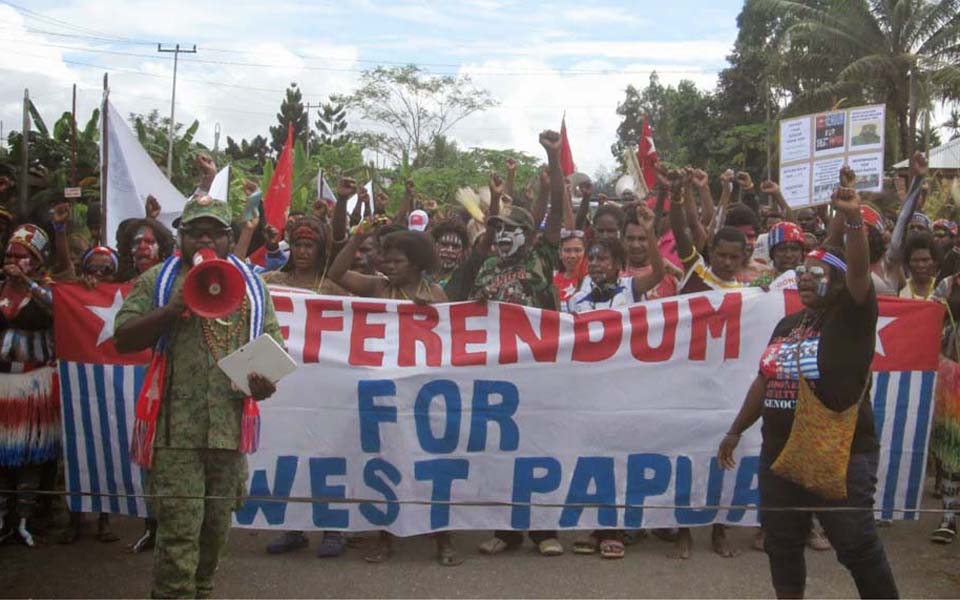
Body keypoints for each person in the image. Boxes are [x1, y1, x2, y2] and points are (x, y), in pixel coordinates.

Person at [717, 181, 899, 599]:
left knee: (855, 546)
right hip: (779, 453)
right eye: (802, 272)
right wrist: (735, 429)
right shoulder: (787, 327)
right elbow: (765, 380)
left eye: (816, 275)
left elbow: (854, 271)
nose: (804, 277)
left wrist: (851, 219)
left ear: (837, 285)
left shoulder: (851, 318)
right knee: (781, 543)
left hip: (840, 454)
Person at [114, 194, 283, 599]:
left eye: (214, 232)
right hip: (176, 439)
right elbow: (122, 338)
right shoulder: (157, 281)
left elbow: (273, 346)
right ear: (180, 236)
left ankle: (203, 591)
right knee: (178, 539)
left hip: (227, 435)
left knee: (214, 533)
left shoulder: (252, 287)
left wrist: (265, 382)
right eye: (194, 232)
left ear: (229, 238)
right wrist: (169, 311)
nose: (204, 239)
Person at [328, 222, 458, 566]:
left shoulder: (437, 295)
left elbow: (451, 340)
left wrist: (426, 312)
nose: (388, 266)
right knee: (387, 465)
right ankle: (386, 539)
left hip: (424, 393)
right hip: (385, 393)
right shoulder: (377, 287)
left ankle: (442, 540)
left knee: (431, 468)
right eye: (387, 259)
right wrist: (355, 236)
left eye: (397, 261)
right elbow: (337, 272)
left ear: (417, 264)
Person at [474, 131, 565, 557]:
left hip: (540, 372)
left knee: (539, 448)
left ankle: (545, 531)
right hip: (497, 375)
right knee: (502, 452)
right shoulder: (487, 267)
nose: (502, 236)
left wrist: (553, 156)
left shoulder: (539, 257)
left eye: (510, 230)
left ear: (528, 236)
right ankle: (506, 529)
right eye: (498, 230)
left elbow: (560, 208)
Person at [261, 215, 346, 558]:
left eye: (309, 245)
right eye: (297, 244)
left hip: (325, 389)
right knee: (288, 452)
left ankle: (333, 527)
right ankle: (293, 527)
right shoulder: (271, 281)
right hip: (286, 387)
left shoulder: (332, 287)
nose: (302, 251)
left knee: (327, 455)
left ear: (320, 249)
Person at [0, 224, 57, 547]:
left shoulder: (45, 291)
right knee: (3, 456)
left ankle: (23, 519)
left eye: (21, 256)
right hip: (2, 383)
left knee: (30, 456)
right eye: (9, 254)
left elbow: (59, 309)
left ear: (35, 261)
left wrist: (29, 285)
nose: (12, 260)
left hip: (33, 385)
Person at [566, 234, 663, 314]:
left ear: (618, 264)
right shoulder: (576, 301)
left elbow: (657, 275)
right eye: (591, 259)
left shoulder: (630, 287)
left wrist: (649, 231)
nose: (593, 264)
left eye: (601, 259)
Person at [900, 233, 938, 300]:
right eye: (915, 260)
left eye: (925, 260)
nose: (920, 265)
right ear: (908, 263)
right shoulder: (900, 288)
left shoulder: (942, 288)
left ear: (934, 261)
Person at [554, 229, 587, 302]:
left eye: (577, 250)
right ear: (560, 254)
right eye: (567, 250)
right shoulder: (553, 282)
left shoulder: (593, 280)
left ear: (585, 253)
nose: (572, 256)